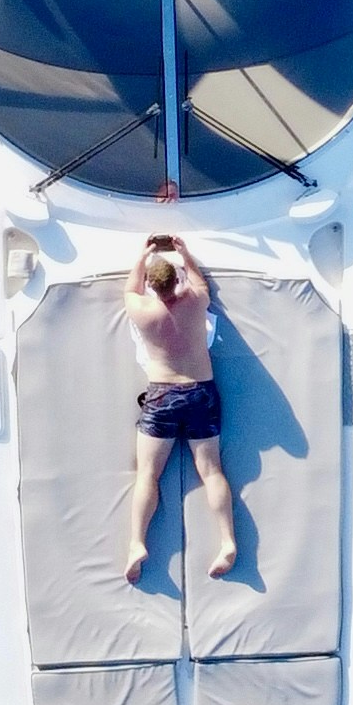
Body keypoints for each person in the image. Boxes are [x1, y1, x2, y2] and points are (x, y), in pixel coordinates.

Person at [124, 238, 236, 584]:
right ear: (176, 281)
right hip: (200, 391)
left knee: (147, 475)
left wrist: (143, 255)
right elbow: (199, 281)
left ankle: (137, 543)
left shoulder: (142, 312)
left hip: (162, 396)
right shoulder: (196, 301)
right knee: (212, 471)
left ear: (152, 286)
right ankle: (228, 541)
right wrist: (183, 252)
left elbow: (130, 288)